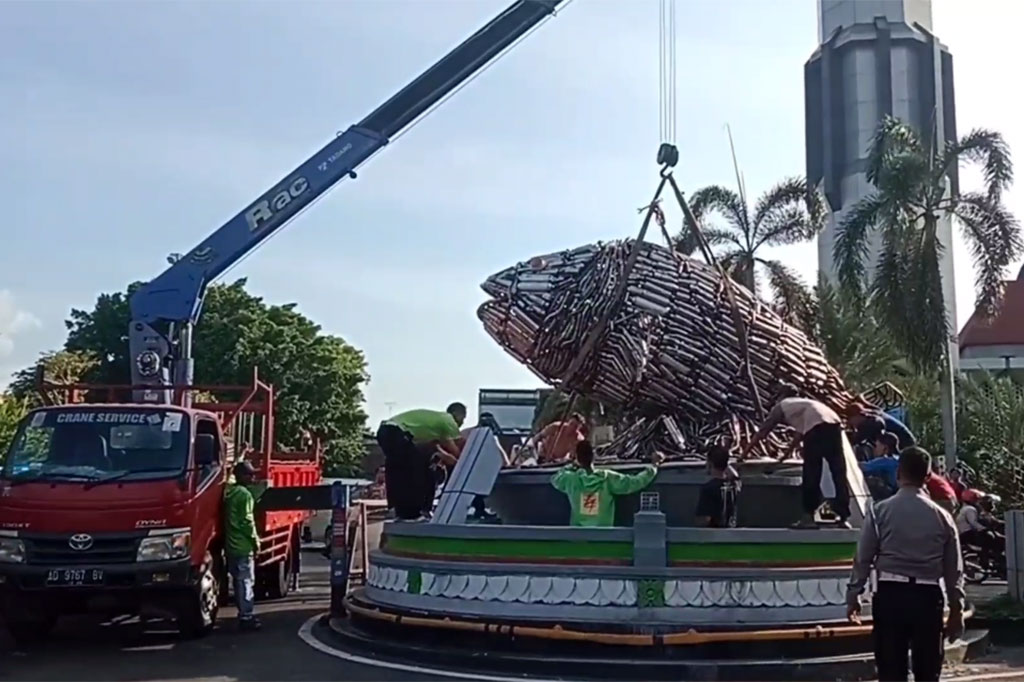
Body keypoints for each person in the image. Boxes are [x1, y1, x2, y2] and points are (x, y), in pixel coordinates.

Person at [847, 446, 965, 682]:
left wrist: (854, 594)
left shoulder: (880, 512)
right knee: (928, 670)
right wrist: (956, 609)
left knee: (891, 670)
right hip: (928, 597)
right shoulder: (943, 517)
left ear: (898, 473)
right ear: (928, 476)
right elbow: (954, 569)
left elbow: (863, 557)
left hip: (891, 596)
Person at [742, 384, 851, 529]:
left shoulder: (782, 405)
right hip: (834, 426)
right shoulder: (805, 405)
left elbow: (762, 432)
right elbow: (798, 437)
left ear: (781, 396)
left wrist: (743, 455)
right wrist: (784, 457)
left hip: (817, 429)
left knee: (811, 474)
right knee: (839, 474)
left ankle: (808, 518)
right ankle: (843, 518)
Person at [377, 403, 466, 521]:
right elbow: (456, 450)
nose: (462, 423)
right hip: (396, 432)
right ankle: (412, 513)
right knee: (414, 472)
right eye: (463, 418)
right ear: (457, 414)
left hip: (385, 431)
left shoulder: (435, 426)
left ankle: (398, 510)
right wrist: (463, 463)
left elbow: (435, 448)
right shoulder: (448, 420)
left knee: (398, 471)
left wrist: (441, 456)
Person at [551, 441, 661, 527]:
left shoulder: (571, 479)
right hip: (605, 537)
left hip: (578, 539)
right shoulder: (607, 478)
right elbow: (634, 482)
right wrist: (654, 466)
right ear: (593, 457)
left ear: (577, 459)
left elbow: (555, 478)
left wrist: (571, 465)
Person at [224, 461, 268, 631]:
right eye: (249, 474)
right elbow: (247, 522)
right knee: (246, 581)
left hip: (230, 544)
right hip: (243, 545)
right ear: (241, 476)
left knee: (237, 581)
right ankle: (246, 616)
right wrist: (256, 541)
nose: (253, 477)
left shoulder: (230, 492)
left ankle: (243, 613)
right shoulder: (245, 495)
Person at [694, 446, 740, 528]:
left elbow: (704, 520)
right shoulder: (735, 486)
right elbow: (735, 476)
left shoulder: (708, 489)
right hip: (732, 532)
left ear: (710, 463)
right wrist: (724, 463)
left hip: (714, 536)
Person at [957, 489, 1004, 564]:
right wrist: (983, 528)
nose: (979, 502)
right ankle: (985, 560)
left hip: (968, 533)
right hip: (967, 534)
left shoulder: (967, 509)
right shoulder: (969, 509)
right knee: (989, 538)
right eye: (977, 500)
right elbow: (973, 522)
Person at [847, 403, 916, 450]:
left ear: (857, 416)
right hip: (906, 440)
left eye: (850, 419)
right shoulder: (871, 414)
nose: (850, 423)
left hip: (904, 444)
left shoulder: (871, 422)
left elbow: (855, 440)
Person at [860, 432, 900, 499]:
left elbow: (864, 468)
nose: (875, 449)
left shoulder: (886, 461)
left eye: (877, 446)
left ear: (885, 448)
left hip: (892, 494)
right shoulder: (897, 459)